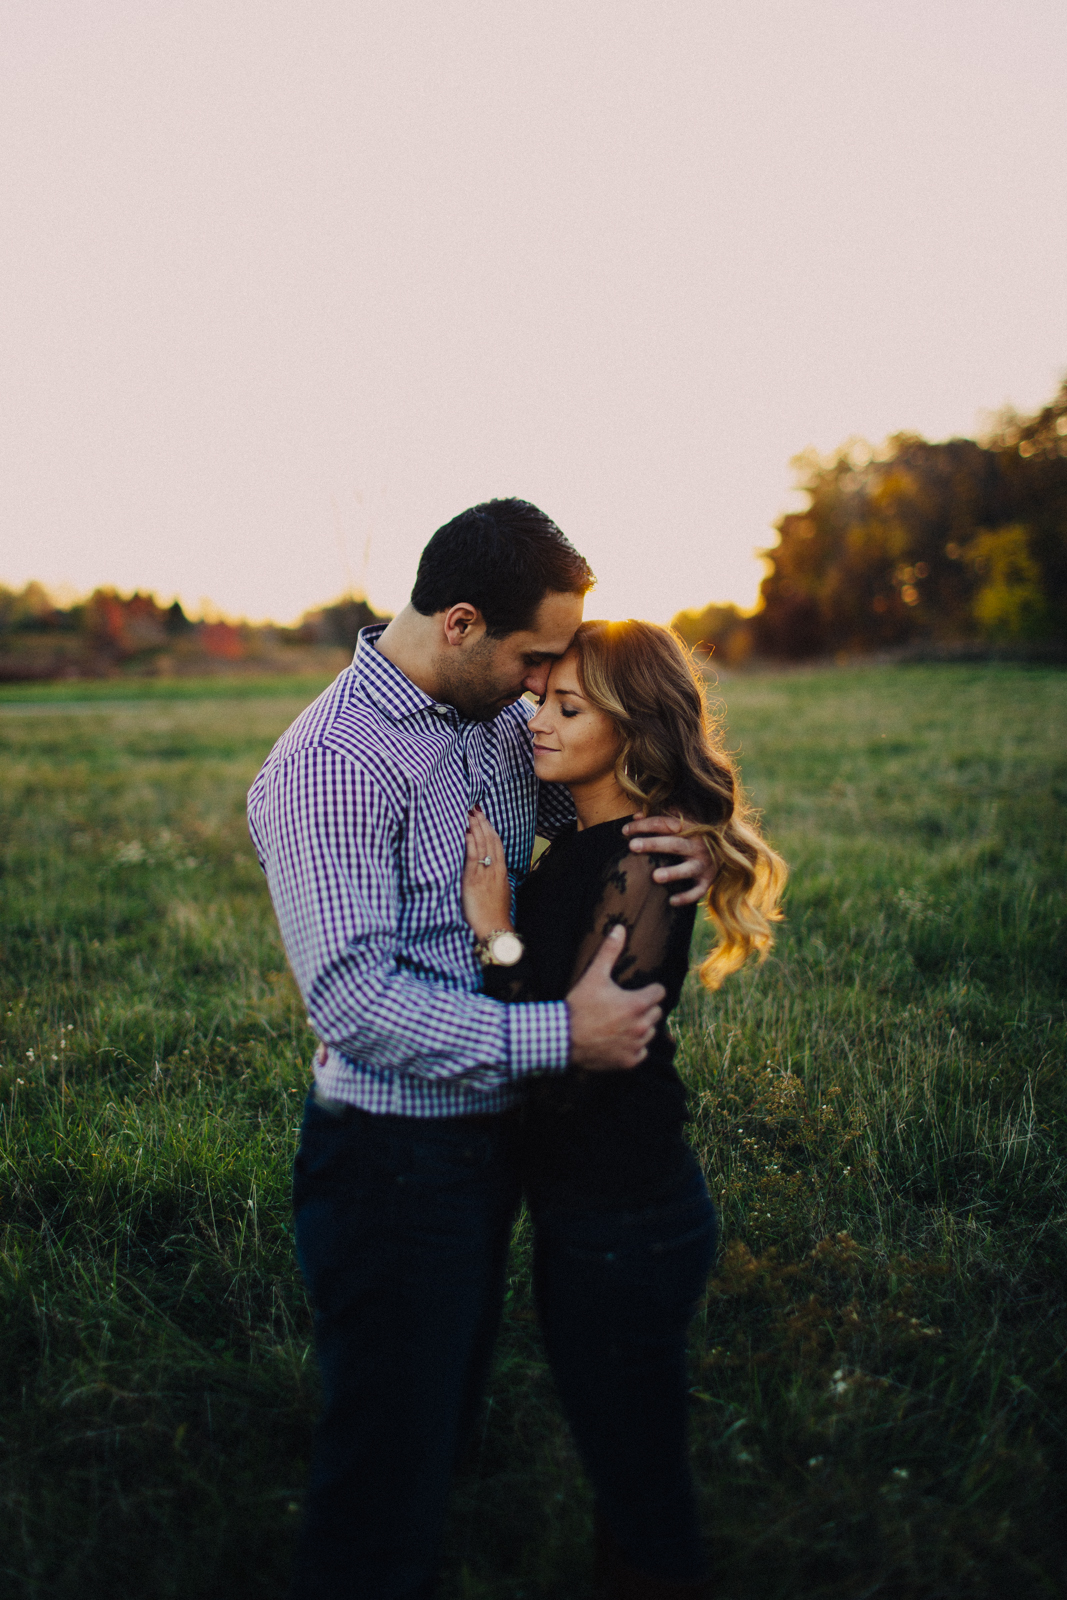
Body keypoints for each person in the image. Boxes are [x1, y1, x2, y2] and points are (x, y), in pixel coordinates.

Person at [246, 500, 718, 1600]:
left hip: (499, 1148)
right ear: (461, 624)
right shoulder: (330, 764)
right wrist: (565, 1032)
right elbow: (354, 999)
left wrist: (679, 839)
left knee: (444, 1423)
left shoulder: (498, 717)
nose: (543, 683)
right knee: (381, 1479)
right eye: (533, 657)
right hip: (393, 1164)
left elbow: (603, 792)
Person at [460, 619, 787, 1599]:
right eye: (538, 700)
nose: (538, 723)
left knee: (640, 1486)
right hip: (598, 1211)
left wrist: (492, 930)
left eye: (567, 709)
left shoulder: (641, 859)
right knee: (624, 1463)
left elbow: (573, 1056)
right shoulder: (593, 843)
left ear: (634, 730)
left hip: (626, 1220)